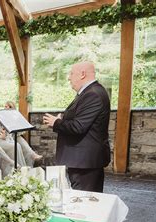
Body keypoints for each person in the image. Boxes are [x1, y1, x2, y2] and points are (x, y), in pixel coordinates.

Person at [43, 61, 110, 192]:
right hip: (82, 160)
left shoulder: (93, 94)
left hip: (85, 162)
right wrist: (62, 119)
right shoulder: (88, 92)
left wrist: (55, 122)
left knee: (84, 201)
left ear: (82, 74)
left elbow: (78, 127)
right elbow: (81, 119)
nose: (69, 77)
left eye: (72, 73)